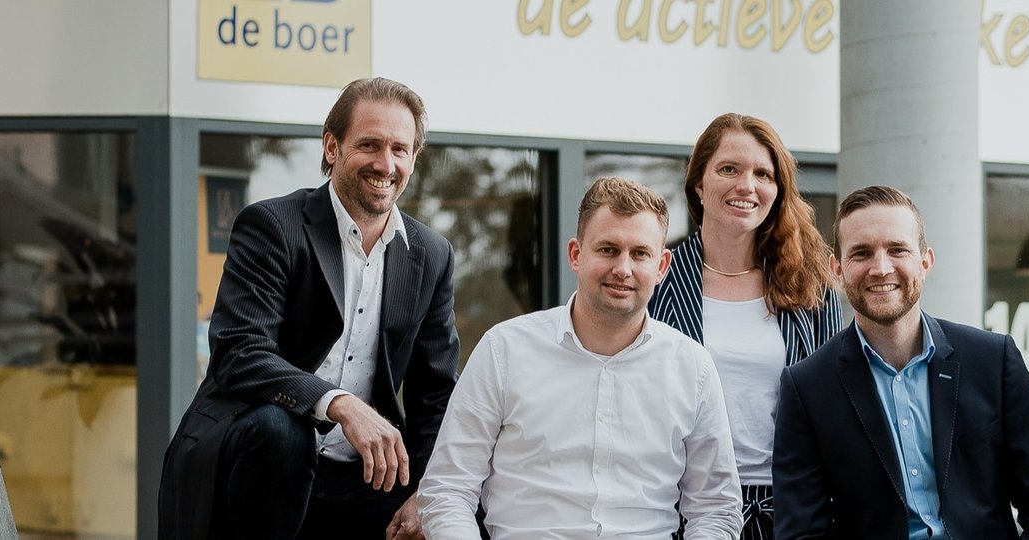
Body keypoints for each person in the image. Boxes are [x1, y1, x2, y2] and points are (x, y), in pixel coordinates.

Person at [160, 77, 458, 540]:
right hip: (257, 458)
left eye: (400, 149)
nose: (386, 163)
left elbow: (434, 394)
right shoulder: (273, 226)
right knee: (285, 432)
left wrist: (431, 491)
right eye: (370, 145)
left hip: (358, 477)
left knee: (464, 511)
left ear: (414, 159)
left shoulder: (431, 254)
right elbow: (240, 350)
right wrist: (339, 404)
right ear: (332, 146)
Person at [416, 176, 741, 539]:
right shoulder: (503, 351)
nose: (623, 268)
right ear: (575, 254)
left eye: (640, 253)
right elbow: (447, 489)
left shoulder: (692, 368)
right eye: (607, 249)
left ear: (662, 266)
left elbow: (716, 508)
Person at [773, 186, 1029, 539]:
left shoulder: (993, 360)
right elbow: (801, 532)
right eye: (862, 253)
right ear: (837, 269)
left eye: (897, 250)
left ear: (925, 261)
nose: (881, 268)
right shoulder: (807, 387)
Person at [648, 113, 840, 539]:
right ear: (699, 184)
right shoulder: (657, 277)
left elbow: (833, 406)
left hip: (791, 512)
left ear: (777, 189)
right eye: (729, 169)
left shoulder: (810, 285)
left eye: (762, 173)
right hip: (681, 509)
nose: (746, 185)